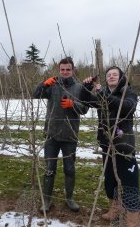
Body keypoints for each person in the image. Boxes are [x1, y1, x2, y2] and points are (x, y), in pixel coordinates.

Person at [81, 66, 140, 227]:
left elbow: (127, 107)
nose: (112, 76)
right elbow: (86, 100)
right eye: (109, 75)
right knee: (110, 180)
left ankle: (132, 220)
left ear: (121, 78)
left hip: (124, 145)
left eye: (115, 74)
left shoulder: (128, 92)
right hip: (106, 144)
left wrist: (103, 94)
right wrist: (86, 87)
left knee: (129, 182)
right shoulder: (103, 95)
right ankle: (114, 210)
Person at [33, 57, 89, 213]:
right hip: (51, 134)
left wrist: (73, 104)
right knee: (49, 169)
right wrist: (43, 84)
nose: (65, 72)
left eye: (68, 70)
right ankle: (47, 200)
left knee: (69, 169)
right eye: (62, 69)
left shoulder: (79, 88)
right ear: (59, 70)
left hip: (70, 135)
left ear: (73, 70)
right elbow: (35, 94)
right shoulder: (52, 86)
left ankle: (69, 198)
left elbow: (84, 109)